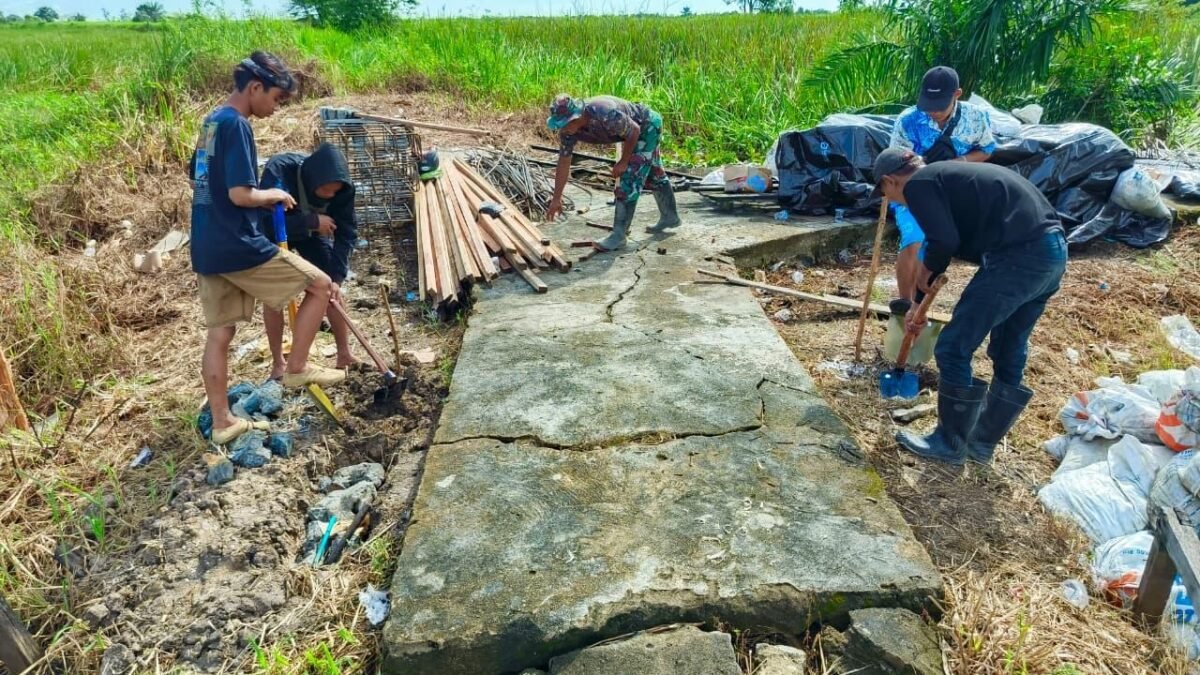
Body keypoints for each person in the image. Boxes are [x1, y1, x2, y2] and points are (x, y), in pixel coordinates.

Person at [873, 147, 1067, 465]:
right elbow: (946, 240)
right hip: (1052, 253)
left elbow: (943, 241)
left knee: (952, 347)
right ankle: (980, 444)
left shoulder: (919, 184)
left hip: (1018, 257)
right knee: (1007, 348)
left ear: (889, 180)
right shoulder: (949, 176)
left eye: (887, 195)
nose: (895, 201)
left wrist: (924, 270)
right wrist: (917, 307)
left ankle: (949, 443)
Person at [188, 52, 345, 446]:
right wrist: (271, 193)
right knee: (321, 285)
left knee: (220, 334)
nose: (275, 109)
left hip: (208, 245)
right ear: (255, 88)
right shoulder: (237, 125)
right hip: (239, 245)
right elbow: (241, 194)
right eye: (275, 99)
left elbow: (196, 178)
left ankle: (223, 422)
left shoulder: (211, 121)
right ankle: (296, 367)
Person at [888, 66, 996, 302]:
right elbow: (895, 161)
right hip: (914, 191)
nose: (933, 111)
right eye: (928, 104)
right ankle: (905, 304)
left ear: (957, 94)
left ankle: (921, 303)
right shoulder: (908, 120)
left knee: (943, 242)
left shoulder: (976, 118)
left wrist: (957, 163)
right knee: (914, 240)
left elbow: (987, 149)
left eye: (939, 105)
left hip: (956, 193)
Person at [259, 142, 360, 380]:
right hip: (278, 231)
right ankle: (278, 363)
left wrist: (337, 276)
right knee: (275, 297)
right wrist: (311, 221)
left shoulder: (343, 190)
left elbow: (347, 232)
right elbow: (263, 221)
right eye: (325, 190)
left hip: (312, 235)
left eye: (334, 192)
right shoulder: (280, 170)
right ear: (312, 181)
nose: (330, 196)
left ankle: (344, 354)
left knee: (330, 288)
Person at [544, 94, 680, 251]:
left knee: (630, 177)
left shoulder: (603, 112)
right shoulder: (568, 132)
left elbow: (634, 130)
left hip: (647, 126)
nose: (564, 128)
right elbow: (564, 162)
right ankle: (670, 217)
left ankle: (618, 236)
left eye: (566, 123)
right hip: (633, 132)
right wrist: (556, 198)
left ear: (577, 116)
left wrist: (623, 162)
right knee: (653, 173)